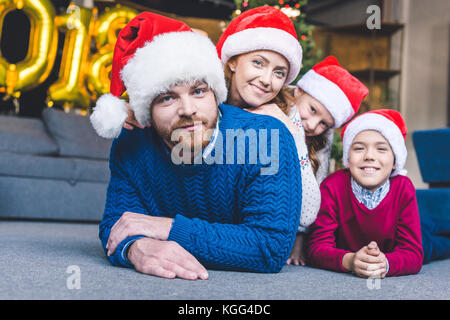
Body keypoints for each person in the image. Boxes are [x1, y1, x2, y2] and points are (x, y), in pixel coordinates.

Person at [90, 12, 303, 280]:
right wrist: (135, 247)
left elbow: (269, 248)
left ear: (216, 92)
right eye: (167, 98)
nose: (188, 110)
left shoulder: (267, 136)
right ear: (145, 111)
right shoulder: (132, 142)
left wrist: (167, 229)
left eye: (199, 91)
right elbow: (118, 223)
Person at [306, 109, 424, 277]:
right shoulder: (332, 186)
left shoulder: (403, 187)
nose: (369, 156)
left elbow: (413, 254)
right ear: (347, 159)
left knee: (437, 239)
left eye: (381, 149)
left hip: (404, 241)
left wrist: (386, 264)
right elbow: (316, 248)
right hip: (352, 253)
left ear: (395, 162)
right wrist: (350, 260)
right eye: (359, 148)